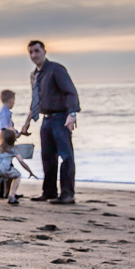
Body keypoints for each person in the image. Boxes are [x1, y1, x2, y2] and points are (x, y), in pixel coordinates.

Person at [19, 40, 81, 204]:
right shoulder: (34, 75)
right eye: (31, 52)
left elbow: (70, 93)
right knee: (47, 157)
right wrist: (27, 123)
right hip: (46, 120)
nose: (34, 55)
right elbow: (36, 101)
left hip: (61, 118)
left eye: (37, 51)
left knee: (66, 157)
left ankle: (67, 194)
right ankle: (49, 192)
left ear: (44, 52)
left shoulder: (56, 70)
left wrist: (72, 113)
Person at [0, 128, 36, 205]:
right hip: (4, 169)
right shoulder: (13, 150)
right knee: (17, 176)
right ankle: (11, 196)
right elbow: (21, 161)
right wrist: (30, 172)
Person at [0, 89, 17, 199]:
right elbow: (4, 129)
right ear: (10, 100)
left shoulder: (4, 112)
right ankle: (8, 192)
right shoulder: (4, 114)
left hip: (0, 145)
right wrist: (15, 134)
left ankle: (2, 191)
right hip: (3, 145)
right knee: (8, 168)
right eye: (14, 100)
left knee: (5, 167)